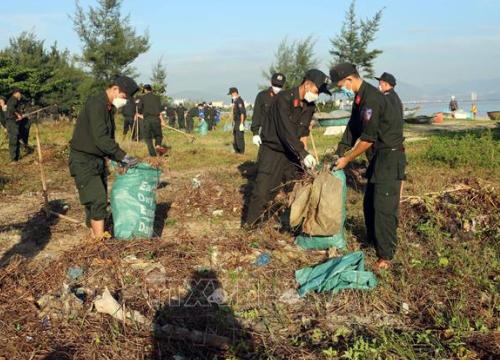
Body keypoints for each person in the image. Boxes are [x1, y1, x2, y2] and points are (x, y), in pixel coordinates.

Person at [331, 63, 406, 271]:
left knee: (384, 207)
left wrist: (347, 159)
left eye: (340, 86)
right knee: (369, 204)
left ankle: (386, 255)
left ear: (349, 79)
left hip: (390, 157)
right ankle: (373, 242)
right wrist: (340, 151)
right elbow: (353, 128)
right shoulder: (359, 98)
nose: (341, 89)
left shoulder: (372, 98)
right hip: (376, 158)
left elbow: (367, 139)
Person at [243, 69, 331, 227]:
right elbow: (286, 131)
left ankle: (294, 224)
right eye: (317, 91)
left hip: (291, 152)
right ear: (307, 84)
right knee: (263, 191)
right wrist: (303, 153)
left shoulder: (309, 106)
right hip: (273, 150)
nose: (317, 95)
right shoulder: (283, 99)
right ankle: (250, 226)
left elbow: (303, 132)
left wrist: (306, 155)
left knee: (295, 187)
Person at [69, 76, 139, 239]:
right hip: (83, 160)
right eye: (123, 97)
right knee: (98, 200)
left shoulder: (108, 108)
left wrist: (115, 159)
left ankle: (94, 238)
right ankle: (100, 245)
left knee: (94, 201)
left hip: (97, 160)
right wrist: (123, 156)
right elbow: (100, 138)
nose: (124, 101)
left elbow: (108, 139)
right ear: (115, 89)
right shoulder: (96, 105)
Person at [251, 73, 286, 147]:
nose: (277, 87)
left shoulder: (285, 97)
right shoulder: (262, 96)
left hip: (281, 134)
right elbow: (256, 115)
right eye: (275, 85)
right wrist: (255, 133)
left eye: (279, 86)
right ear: (271, 82)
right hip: (265, 134)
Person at [138, 84, 168, 156]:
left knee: (148, 138)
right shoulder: (157, 98)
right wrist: (163, 121)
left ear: (145, 90)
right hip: (156, 119)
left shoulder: (142, 98)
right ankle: (157, 145)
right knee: (158, 135)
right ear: (151, 89)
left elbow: (139, 109)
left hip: (147, 120)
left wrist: (139, 113)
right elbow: (159, 111)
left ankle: (153, 155)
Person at [5, 89, 25, 163]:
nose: (20, 95)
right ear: (16, 93)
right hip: (12, 122)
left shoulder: (14, 100)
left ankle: (16, 157)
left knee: (16, 138)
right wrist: (18, 115)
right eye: (20, 93)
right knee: (13, 139)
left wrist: (21, 114)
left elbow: (14, 109)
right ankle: (13, 159)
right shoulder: (13, 99)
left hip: (13, 122)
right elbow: (11, 108)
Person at [228, 87, 246, 154]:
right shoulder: (235, 101)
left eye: (231, 94)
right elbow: (233, 110)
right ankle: (236, 151)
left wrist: (241, 123)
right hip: (236, 121)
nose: (231, 96)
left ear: (235, 93)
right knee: (235, 136)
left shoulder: (239, 101)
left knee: (239, 137)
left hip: (239, 121)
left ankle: (241, 152)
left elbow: (242, 113)